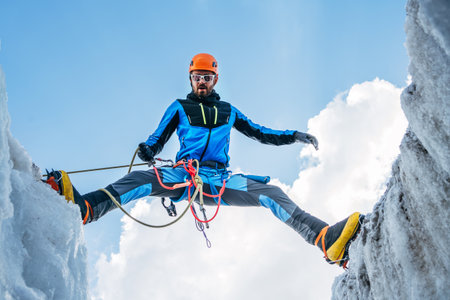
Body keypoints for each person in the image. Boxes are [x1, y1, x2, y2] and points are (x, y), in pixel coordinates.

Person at [48, 53, 363, 267]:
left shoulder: (228, 111)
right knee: (140, 182)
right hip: (184, 174)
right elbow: (157, 139)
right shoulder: (179, 107)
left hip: (219, 179)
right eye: (197, 77)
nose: (202, 82)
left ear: (215, 79)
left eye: (208, 77)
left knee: (272, 194)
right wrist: (148, 150)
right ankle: (84, 209)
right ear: (190, 78)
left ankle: (325, 240)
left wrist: (294, 135)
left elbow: (260, 132)